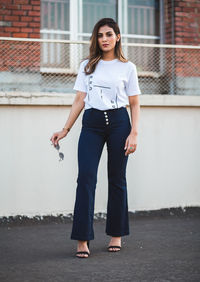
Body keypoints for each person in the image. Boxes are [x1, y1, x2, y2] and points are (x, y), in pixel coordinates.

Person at [50, 18, 141, 258]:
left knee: (117, 179)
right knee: (86, 179)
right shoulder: (87, 66)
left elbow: (134, 103)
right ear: (96, 39)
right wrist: (65, 129)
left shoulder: (127, 67)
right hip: (92, 124)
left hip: (120, 124)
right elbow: (80, 99)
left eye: (109, 34)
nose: (104, 39)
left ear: (117, 37)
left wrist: (134, 133)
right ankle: (82, 239)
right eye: (100, 35)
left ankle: (116, 234)